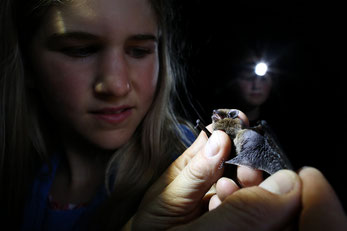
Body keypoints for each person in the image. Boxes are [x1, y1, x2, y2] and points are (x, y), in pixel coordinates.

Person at [1, 1, 346, 231]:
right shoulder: (22, 173)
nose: (117, 85)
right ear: (27, 65)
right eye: (80, 50)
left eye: (139, 50)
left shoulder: (182, 152)